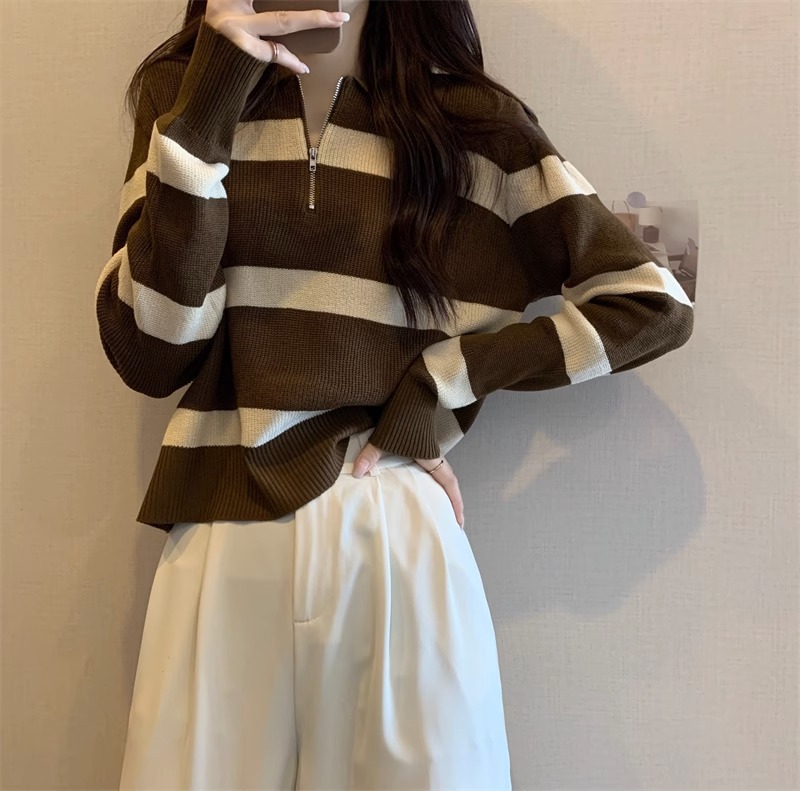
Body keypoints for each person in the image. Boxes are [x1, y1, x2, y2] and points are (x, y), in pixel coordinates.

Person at [96, 0, 694, 788]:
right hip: (222, 528)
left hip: (392, 521)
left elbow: (652, 298)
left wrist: (447, 380)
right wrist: (211, 99)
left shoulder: (471, 121)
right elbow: (150, 349)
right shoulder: (186, 95)